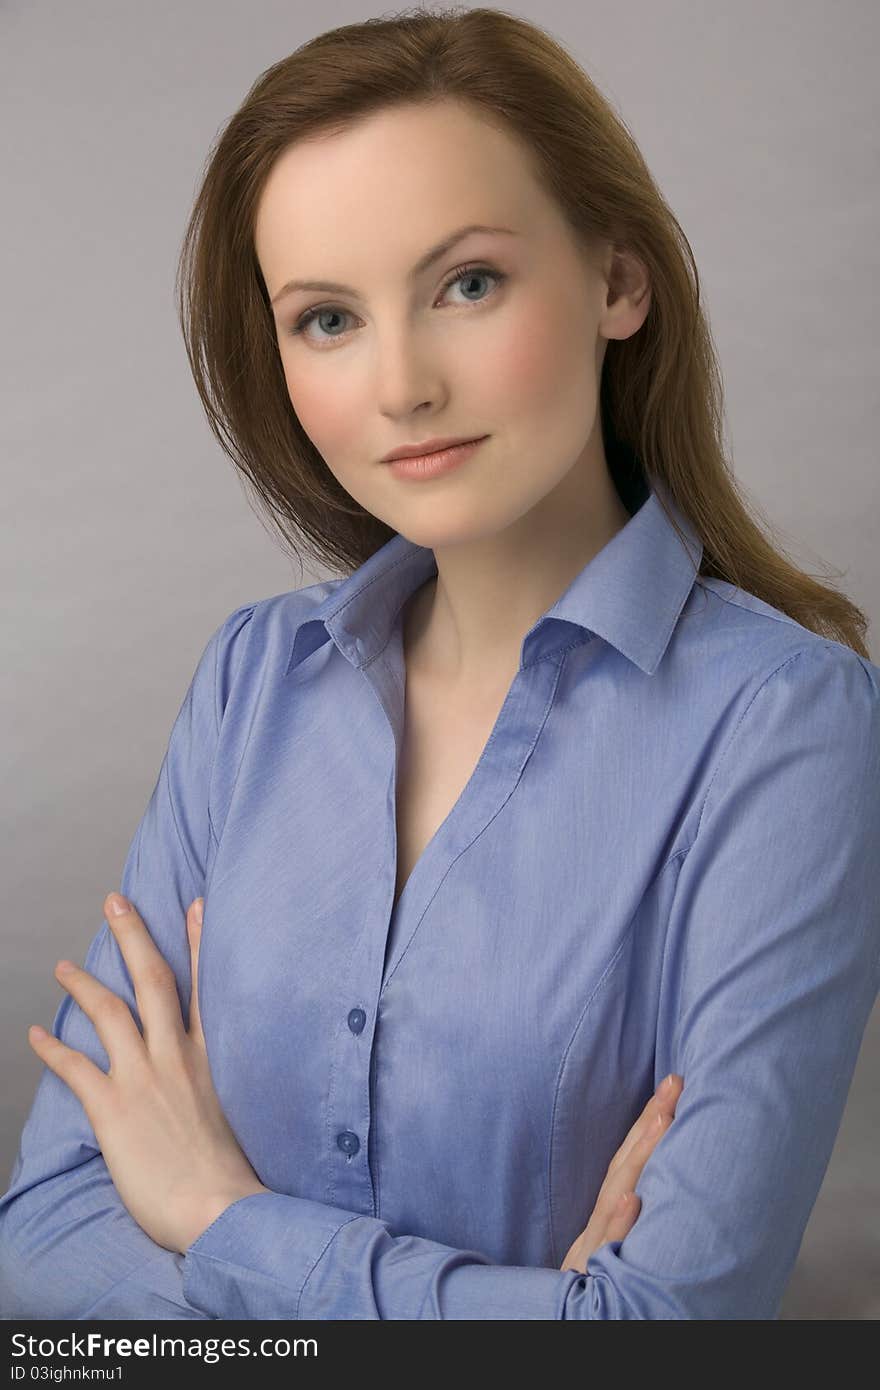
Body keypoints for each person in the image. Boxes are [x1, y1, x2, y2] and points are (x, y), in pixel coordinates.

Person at [1, 7, 878, 1321]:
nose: (401, 384)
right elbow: (45, 1240)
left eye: (467, 283)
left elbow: (661, 1330)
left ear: (617, 283)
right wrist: (520, 1306)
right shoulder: (255, 683)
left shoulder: (788, 727)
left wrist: (219, 1217)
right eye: (327, 318)